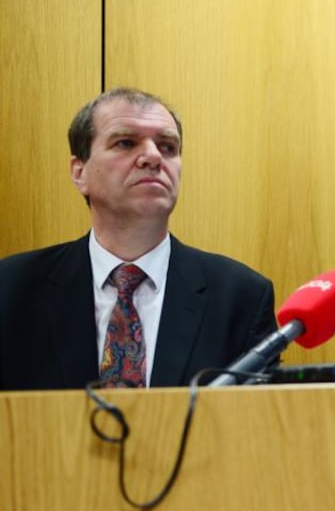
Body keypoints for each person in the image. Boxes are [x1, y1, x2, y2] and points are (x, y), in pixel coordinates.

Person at [0, 87, 277, 390]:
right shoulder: (12, 288)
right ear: (80, 172)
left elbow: (258, 428)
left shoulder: (241, 297)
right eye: (126, 143)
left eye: (168, 147)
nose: (153, 157)